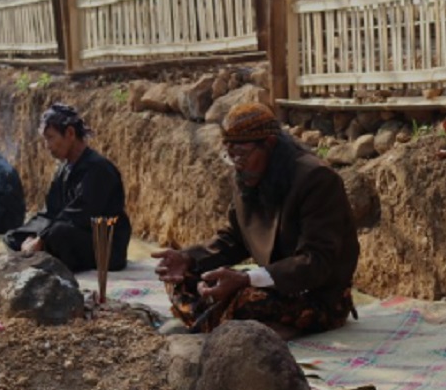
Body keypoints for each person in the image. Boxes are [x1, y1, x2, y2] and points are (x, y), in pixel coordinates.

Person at [152, 102, 359, 336]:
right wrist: (189, 259)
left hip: (315, 294)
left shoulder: (316, 179)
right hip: (269, 284)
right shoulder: (245, 173)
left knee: (247, 300)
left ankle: (223, 320)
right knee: (182, 278)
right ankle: (223, 320)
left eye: (241, 155)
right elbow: (235, 238)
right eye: (230, 156)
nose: (236, 164)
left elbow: (317, 261)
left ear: (269, 144)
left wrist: (247, 279)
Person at [4, 103, 131, 272]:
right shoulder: (64, 169)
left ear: (70, 133)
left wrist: (41, 238)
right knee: (13, 237)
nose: (47, 146)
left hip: (103, 244)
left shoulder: (99, 169)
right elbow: (50, 211)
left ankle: (45, 256)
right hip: (71, 230)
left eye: (51, 138)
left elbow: (81, 214)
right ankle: (42, 254)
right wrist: (32, 235)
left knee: (58, 234)